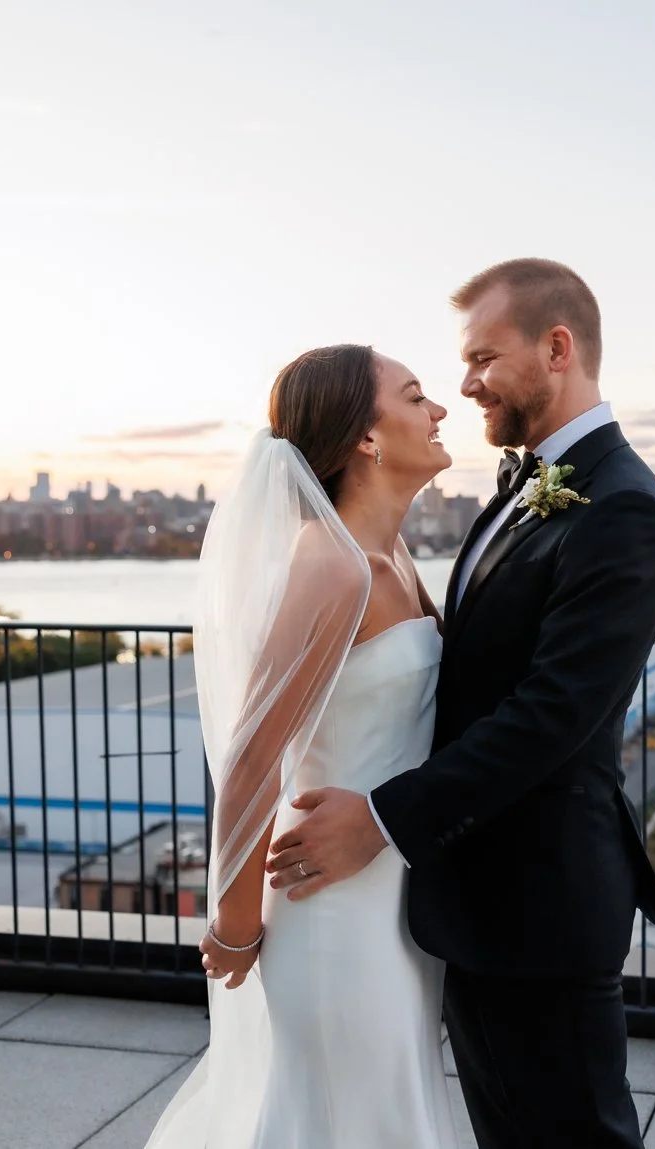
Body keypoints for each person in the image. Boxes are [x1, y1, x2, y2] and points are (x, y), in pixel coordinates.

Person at [262, 259, 655, 1147]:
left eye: (484, 358)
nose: (464, 385)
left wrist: (379, 817)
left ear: (556, 348)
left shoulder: (622, 509)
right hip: (469, 901)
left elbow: (550, 716)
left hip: (541, 905)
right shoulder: (523, 485)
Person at [146, 344, 464, 1147]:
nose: (440, 411)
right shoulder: (332, 567)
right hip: (332, 910)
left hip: (391, 893)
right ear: (366, 437)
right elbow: (254, 756)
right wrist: (235, 921)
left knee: (386, 1109)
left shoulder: (395, 556)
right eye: (418, 396)